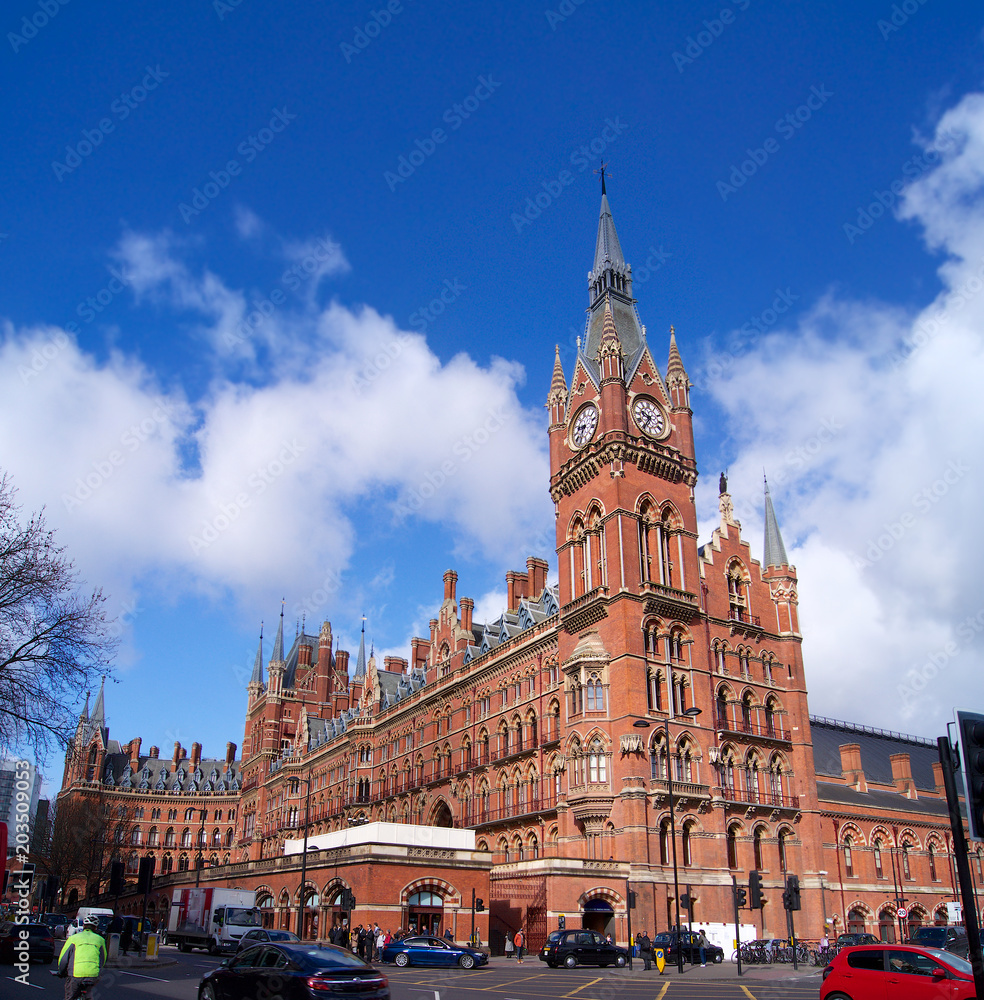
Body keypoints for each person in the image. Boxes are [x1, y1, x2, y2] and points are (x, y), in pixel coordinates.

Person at [57, 914, 107, 1000]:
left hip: (75, 974)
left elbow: (64, 959)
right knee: (88, 992)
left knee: (70, 997)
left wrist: (61, 971)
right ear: (95, 928)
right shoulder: (100, 940)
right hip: (93, 974)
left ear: (83, 926)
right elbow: (103, 959)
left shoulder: (73, 938)